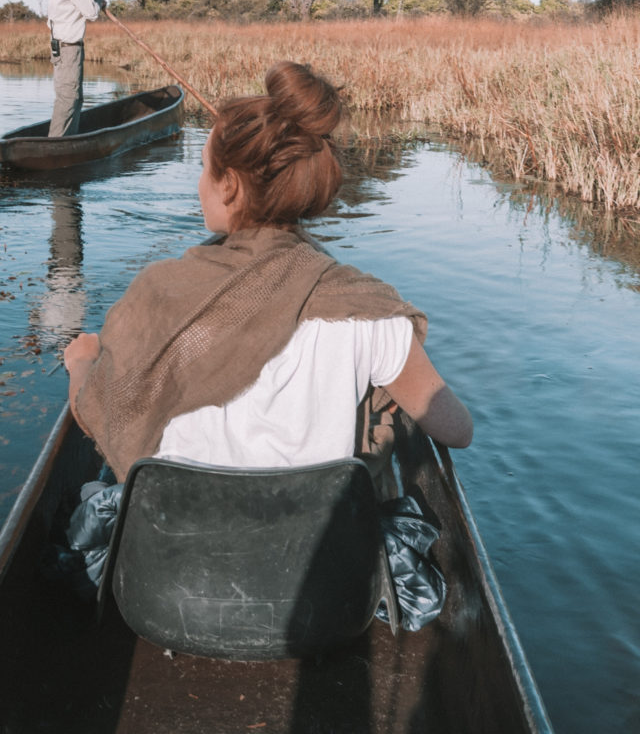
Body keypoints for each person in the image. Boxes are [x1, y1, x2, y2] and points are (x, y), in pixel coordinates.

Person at [63, 61, 472, 489]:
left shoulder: (160, 292)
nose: (200, 183)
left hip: (172, 526)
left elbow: (102, 414)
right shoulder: (367, 311)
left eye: (204, 168)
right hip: (315, 530)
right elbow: (457, 431)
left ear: (230, 186)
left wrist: (82, 363)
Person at [30, 0, 106, 138]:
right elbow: (91, 13)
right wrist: (100, 1)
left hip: (58, 46)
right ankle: (56, 143)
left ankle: (69, 139)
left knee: (73, 97)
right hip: (69, 47)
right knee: (69, 98)